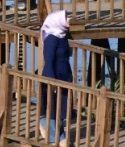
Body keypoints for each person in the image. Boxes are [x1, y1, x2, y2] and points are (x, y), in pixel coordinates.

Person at [39, 10, 73, 146]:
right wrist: (51, 80)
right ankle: (54, 136)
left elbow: (66, 58)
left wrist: (69, 75)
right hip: (53, 76)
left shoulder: (63, 36)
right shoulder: (52, 38)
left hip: (64, 76)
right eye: (66, 18)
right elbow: (49, 59)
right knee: (53, 107)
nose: (69, 20)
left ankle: (61, 134)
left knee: (63, 108)